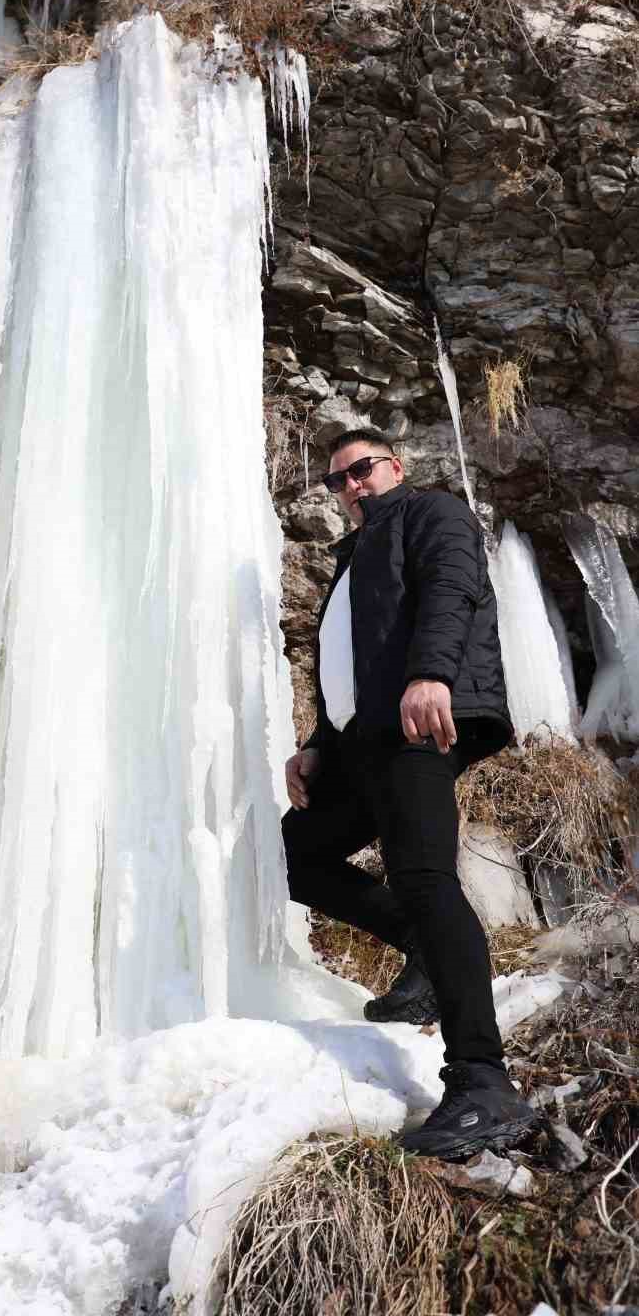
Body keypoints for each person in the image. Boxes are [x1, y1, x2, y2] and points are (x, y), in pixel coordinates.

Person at [282, 427, 538, 1159]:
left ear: (395, 465)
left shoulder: (430, 512)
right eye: (337, 481)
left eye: (360, 470)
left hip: (415, 720)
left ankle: (483, 1083)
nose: (350, 486)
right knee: (297, 852)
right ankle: (423, 957)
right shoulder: (351, 558)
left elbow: (451, 588)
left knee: (424, 875)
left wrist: (433, 675)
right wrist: (315, 747)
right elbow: (351, 664)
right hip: (361, 742)